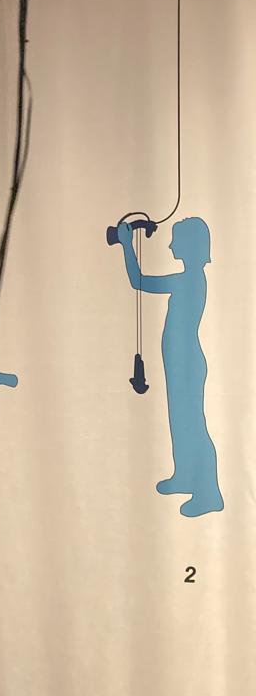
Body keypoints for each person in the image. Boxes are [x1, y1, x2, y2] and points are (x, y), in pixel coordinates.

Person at [116, 219, 223, 516]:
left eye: (176, 240)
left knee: (193, 425)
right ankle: (185, 475)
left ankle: (209, 493)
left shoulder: (189, 280)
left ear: (189, 246)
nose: (171, 245)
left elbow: (139, 281)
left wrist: (127, 246)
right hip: (179, 362)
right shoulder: (190, 278)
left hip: (187, 363)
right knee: (181, 422)